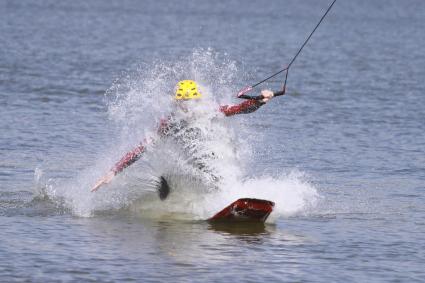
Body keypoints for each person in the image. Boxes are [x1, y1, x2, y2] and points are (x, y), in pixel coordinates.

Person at [91, 80, 278, 193]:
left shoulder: (209, 110)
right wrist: (113, 172)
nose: (187, 106)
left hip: (213, 157)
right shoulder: (170, 122)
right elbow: (142, 148)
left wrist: (259, 100)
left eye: (191, 101)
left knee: (217, 169)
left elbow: (240, 109)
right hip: (189, 164)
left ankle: (229, 196)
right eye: (182, 102)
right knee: (184, 172)